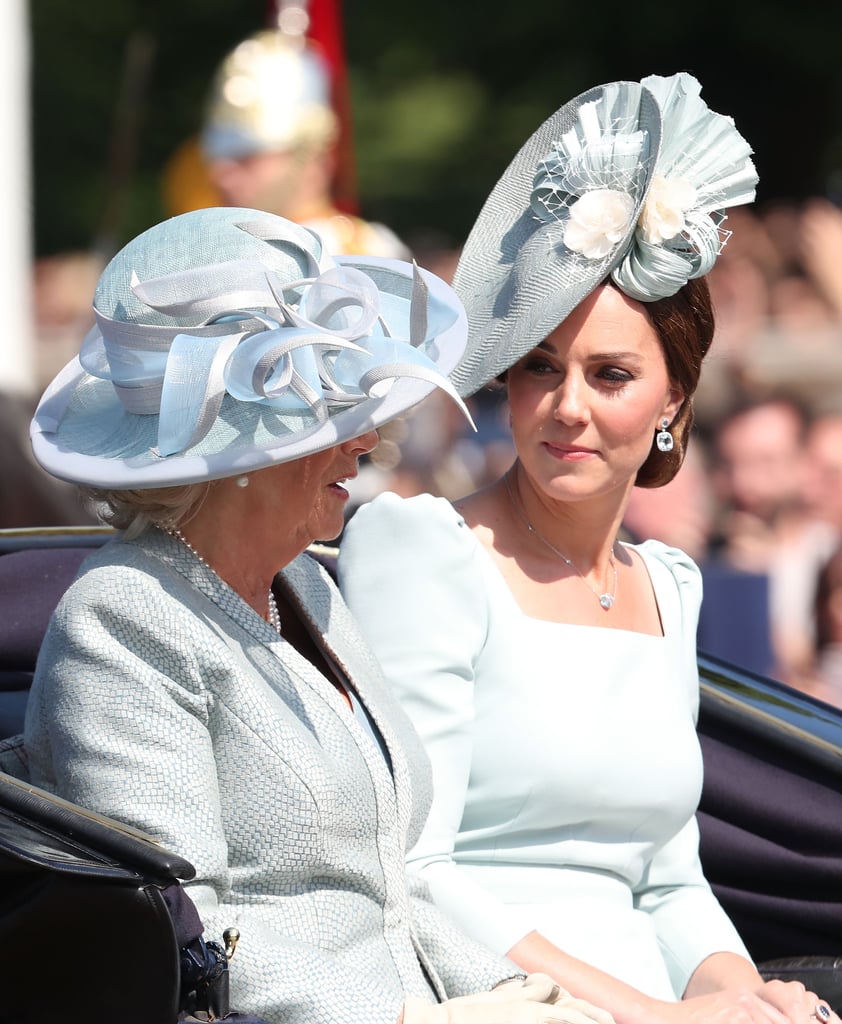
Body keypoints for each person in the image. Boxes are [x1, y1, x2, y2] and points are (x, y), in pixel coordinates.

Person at [19, 206, 612, 1024]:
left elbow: (387, 895)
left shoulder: (307, 583)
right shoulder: (124, 618)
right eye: (319, 422)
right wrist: (415, 1022)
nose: (365, 440)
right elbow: (182, 929)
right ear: (228, 459)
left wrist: (504, 990)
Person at [338, 73, 839, 1024]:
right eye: (539, 368)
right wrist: (651, 1016)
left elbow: (668, 879)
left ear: (673, 405)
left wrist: (750, 997)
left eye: (610, 375)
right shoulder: (423, 548)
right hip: (492, 999)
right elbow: (416, 868)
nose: (567, 407)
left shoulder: (669, 584)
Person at [165, 18, 409, 260]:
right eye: (219, 158)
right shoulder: (204, 253)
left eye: (246, 157)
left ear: (311, 157)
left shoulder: (363, 255)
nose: (220, 174)